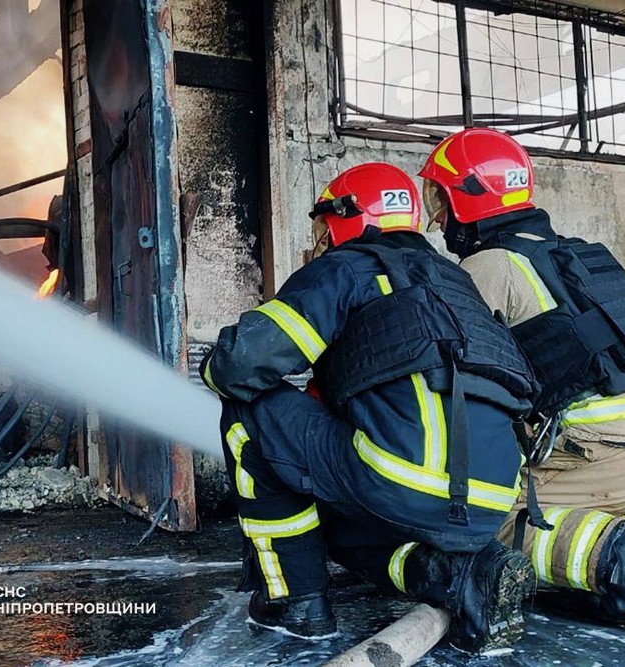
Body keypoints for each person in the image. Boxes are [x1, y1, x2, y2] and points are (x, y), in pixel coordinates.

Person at [200, 162, 540, 653]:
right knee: (335, 513)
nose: (319, 238)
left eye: (322, 224)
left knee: (250, 413)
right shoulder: (455, 282)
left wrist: (215, 368)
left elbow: (240, 366)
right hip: (491, 499)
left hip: (399, 476)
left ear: (348, 216)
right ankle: (453, 574)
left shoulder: (345, 269)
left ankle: (295, 604)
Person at [419, 128, 625, 620]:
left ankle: (616, 560)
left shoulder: (491, 265)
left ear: (468, 198)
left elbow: (446, 367)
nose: (438, 216)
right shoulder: (582, 257)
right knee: (584, 503)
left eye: (439, 199)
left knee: (475, 516)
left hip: (604, 455)